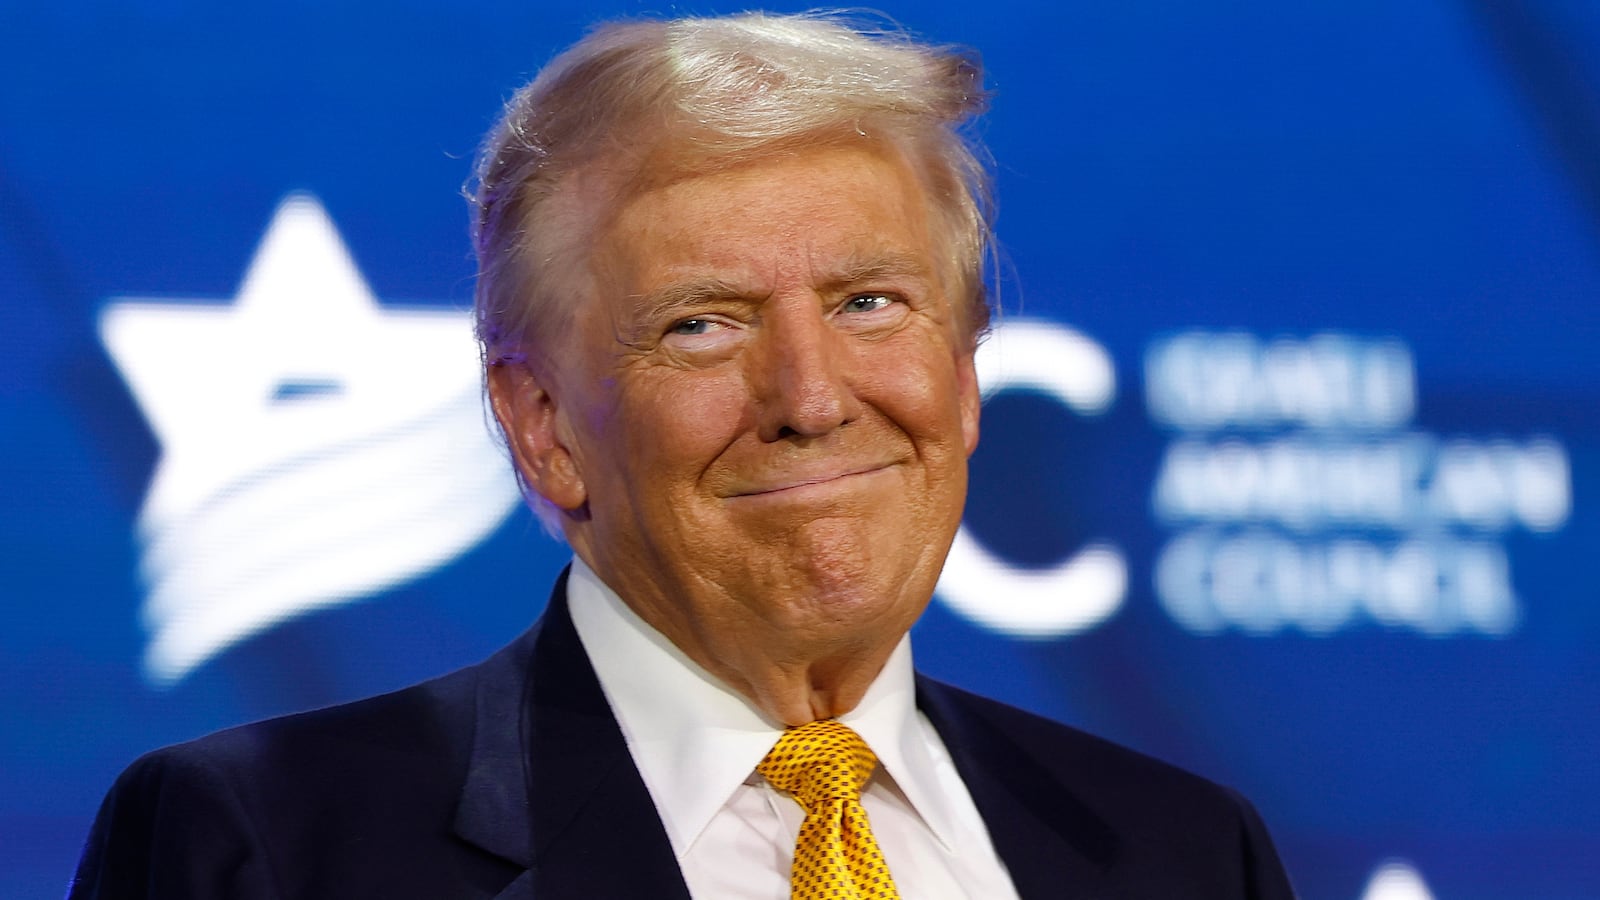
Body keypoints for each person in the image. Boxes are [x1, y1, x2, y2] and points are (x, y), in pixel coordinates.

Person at [71, 11, 1296, 899]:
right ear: (543, 428)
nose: (811, 399)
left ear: (965, 374)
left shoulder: (1181, 852)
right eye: (701, 326)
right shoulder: (269, 846)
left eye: (871, 303)